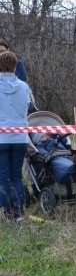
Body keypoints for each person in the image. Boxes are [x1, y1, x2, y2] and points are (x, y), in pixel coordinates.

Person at [0, 51, 31, 221]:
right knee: (16, 176)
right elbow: (27, 107)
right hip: (20, 137)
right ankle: (18, 212)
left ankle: (5, 212)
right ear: (15, 65)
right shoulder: (24, 86)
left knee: (3, 177)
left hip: (1, 138)